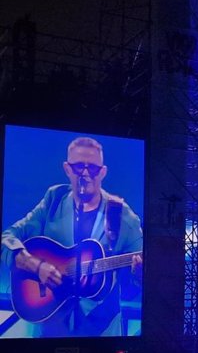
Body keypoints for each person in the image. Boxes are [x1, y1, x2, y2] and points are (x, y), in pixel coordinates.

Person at [1, 136, 143, 337]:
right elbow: (7, 238)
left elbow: (144, 274)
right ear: (67, 169)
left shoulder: (122, 215)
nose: (85, 174)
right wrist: (37, 266)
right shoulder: (54, 199)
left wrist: (141, 274)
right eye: (78, 167)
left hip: (102, 331)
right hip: (50, 326)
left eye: (92, 169)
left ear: (103, 172)